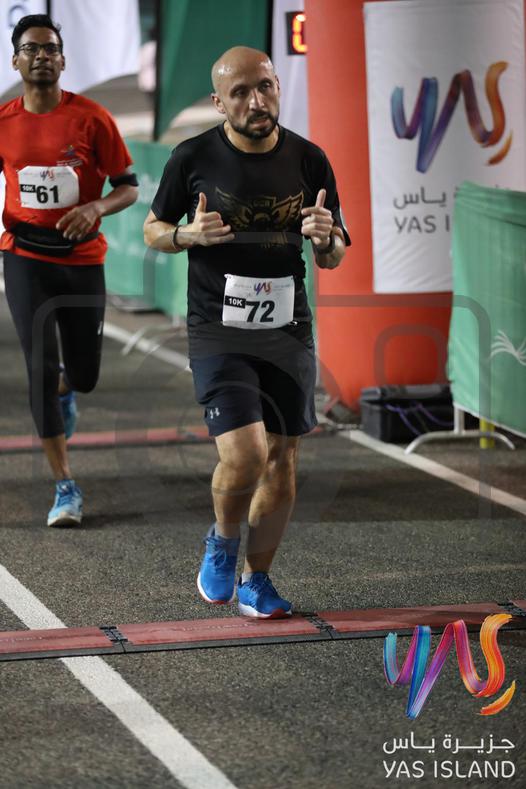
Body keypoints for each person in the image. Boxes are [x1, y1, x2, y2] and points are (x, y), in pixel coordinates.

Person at [144, 46, 350, 618]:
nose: (256, 101)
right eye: (240, 93)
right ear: (219, 102)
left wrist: (325, 238)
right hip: (219, 328)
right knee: (245, 455)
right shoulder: (192, 157)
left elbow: (332, 255)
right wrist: (186, 236)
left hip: (288, 329)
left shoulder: (309, 159)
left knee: (282, 457)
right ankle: (223, 538)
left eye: (264, 86)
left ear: (278, 85)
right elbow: (153, 228)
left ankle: (257, 579)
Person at [0, 15, 138, 527]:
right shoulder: (4, 121)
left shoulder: (92, 119)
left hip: (81, 260)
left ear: (63, 59)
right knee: (38, 367)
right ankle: (65, 486)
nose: (42, 56)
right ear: (16, 60)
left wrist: (96, 207)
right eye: (31, 48)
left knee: (84, 374)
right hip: (24, 256)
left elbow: (128, 185)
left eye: (51, 49)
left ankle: (68, 389)